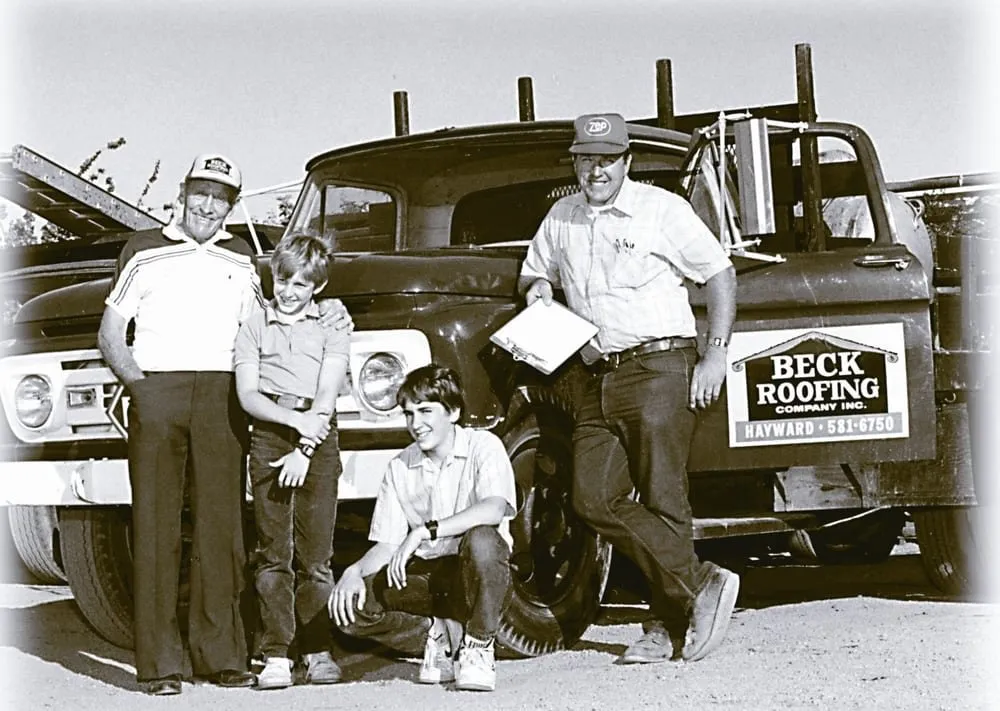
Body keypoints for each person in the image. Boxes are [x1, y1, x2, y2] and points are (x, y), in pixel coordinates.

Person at [97, 153, 353, 696]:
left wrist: (332, 308)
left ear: (231, 205)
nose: (208, 206)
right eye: (201, 193)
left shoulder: (240, 256)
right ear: (182, 192)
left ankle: (222, 656)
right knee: (156, 528)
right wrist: (141, 388)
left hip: (222, 396)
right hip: (158, 390)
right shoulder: (142, 249)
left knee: (223, 528)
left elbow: (277, 313)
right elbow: (111, 332)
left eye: (221, 198)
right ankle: (160, 666)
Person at [517, 113, 739, 664]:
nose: (596, 170)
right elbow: (532, 272)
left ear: (627, 162)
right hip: (598, 373)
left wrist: (715, 353)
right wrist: (539, 286)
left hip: (660, 365)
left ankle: (666, 627)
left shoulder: (662, 209)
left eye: (608, 160)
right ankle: (698, 581)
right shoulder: (562, 217)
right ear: (575, 163)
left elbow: (719, 273)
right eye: (586, 159)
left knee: (663, 497)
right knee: (592, 497)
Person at [329, 365, 516, 692]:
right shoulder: (399, 466)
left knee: (483, 539)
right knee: (350, 607)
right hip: (428, 580)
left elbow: (494, 508)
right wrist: (354, 572)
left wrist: (424, 531)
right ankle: (438, 634)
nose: (416, 424)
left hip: (476, 579)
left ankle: (478, 645)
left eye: (426, 411)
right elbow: (387, 545)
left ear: (453, 412)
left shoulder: (484, 445)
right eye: (409, 414)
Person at [233, 233, 350, 690]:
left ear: (318, 286)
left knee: (316, 556)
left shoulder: (333, 324)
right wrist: (292, 424)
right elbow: (248, 394)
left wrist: (304, 447)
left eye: (301, 284)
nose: (288, 291)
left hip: (318, 436)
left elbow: (327, 391)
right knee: (273, 553)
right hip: (270, 433)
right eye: (283, 280)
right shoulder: (254, 325)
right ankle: (276, 653)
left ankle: (318, 649)